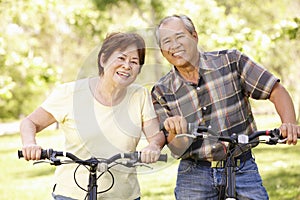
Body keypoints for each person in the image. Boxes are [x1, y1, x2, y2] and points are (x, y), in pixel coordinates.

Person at [151, 14, 300, 200]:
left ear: (194, 36)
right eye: (167, 41)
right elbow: (176, 147)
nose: (174, 45)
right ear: (162, 50)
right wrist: (175, 131)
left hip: (242, 166)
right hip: (194, 174)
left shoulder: (231, 61)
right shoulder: (161, 91)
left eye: (179, 36)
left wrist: (289, 123)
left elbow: (276, 91)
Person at [20, 32, 166, 200]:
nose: (127, 66)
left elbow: (155, 137)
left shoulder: (140, 95)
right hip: (71, 194)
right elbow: (29, 122)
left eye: (134, 62)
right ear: (103, 59)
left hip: (124, 195)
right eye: (121, 58)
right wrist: (30, 144)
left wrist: (153, 147)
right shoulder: (70, 93)